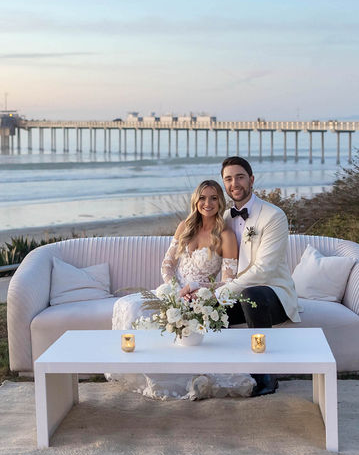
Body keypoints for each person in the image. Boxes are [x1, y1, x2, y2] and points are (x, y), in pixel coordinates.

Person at [110, 179, 255, 399]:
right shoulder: (184, 227)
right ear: (195, 201)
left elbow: (228, 281)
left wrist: (197, 287)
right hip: (172, 291)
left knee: (146, 313)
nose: (208, 203)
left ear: (221, 201)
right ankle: (146, 374)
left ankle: (180, 381)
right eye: (203, 198)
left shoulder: (225, 235)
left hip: (201, 296)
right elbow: (167, 265)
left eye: (214, 198)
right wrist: (174, 288)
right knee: (128, 306)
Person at [184, 156, 300, 396]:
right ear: (223, 184)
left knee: (252, 293)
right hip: (235, 292)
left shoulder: (273, 216)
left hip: (272, 294)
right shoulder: (223, 218)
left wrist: (224, 290)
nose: (234, 183)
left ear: (251, 180)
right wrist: (201, 289)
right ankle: (219, 373)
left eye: (240, 177)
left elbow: (264, 270)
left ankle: (266, 375)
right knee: (202, 305)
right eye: (228, 179)